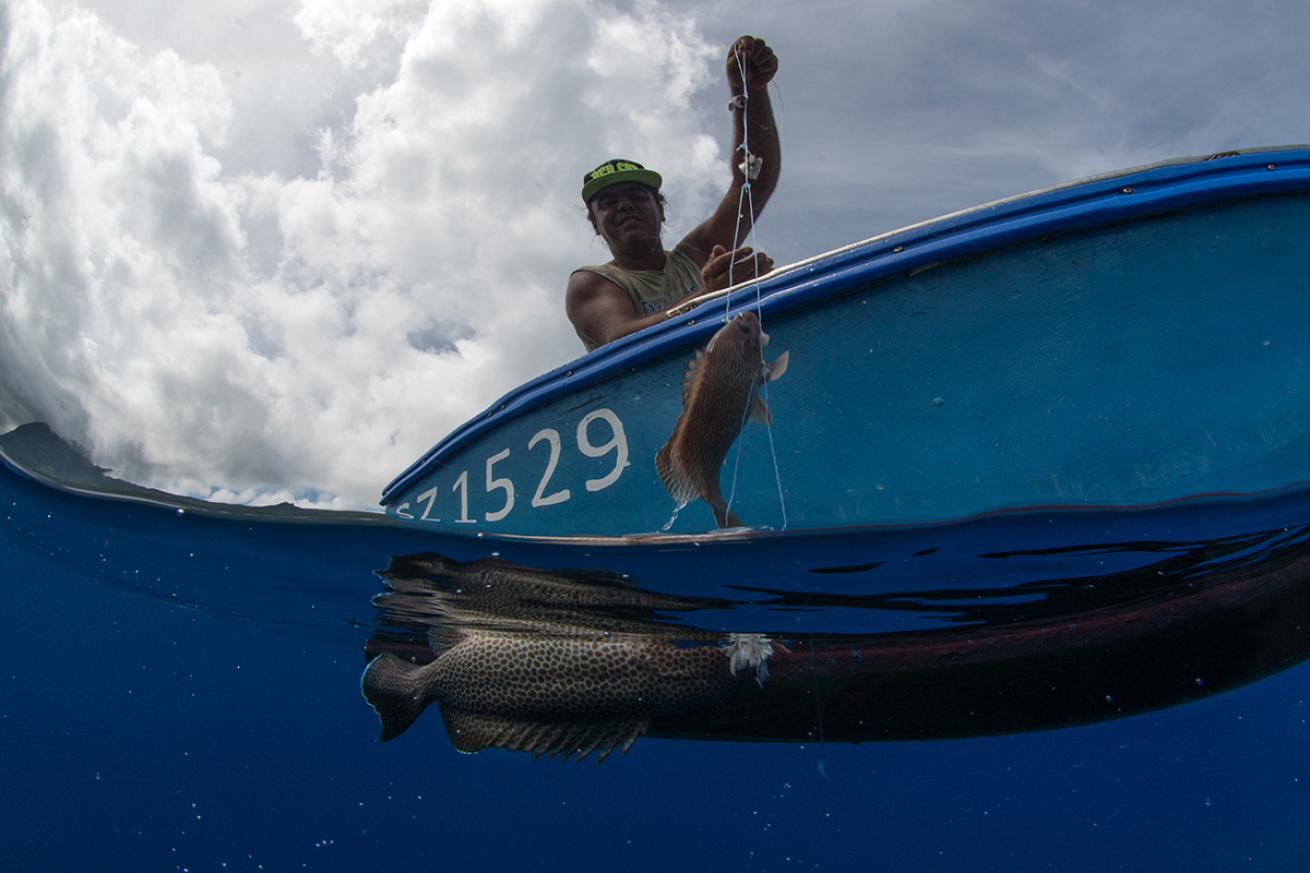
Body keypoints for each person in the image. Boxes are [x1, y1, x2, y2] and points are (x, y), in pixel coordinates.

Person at [566, 35, 782, 352]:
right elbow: (621, 338)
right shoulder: (590, 282)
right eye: (608, 203)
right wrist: (709, 294)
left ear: (661, 209)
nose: (624, 205)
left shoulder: (698, 254)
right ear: (596, 225)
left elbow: (753, 183)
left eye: (637, 195)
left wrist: (750, 90)